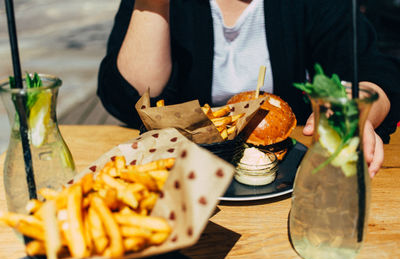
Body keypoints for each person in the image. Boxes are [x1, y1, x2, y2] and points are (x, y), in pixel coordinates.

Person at [97, 0, 400, 177]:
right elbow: (126, 99)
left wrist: (356, 110)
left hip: (288, 178)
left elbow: (377, 72)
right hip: (179, 177)